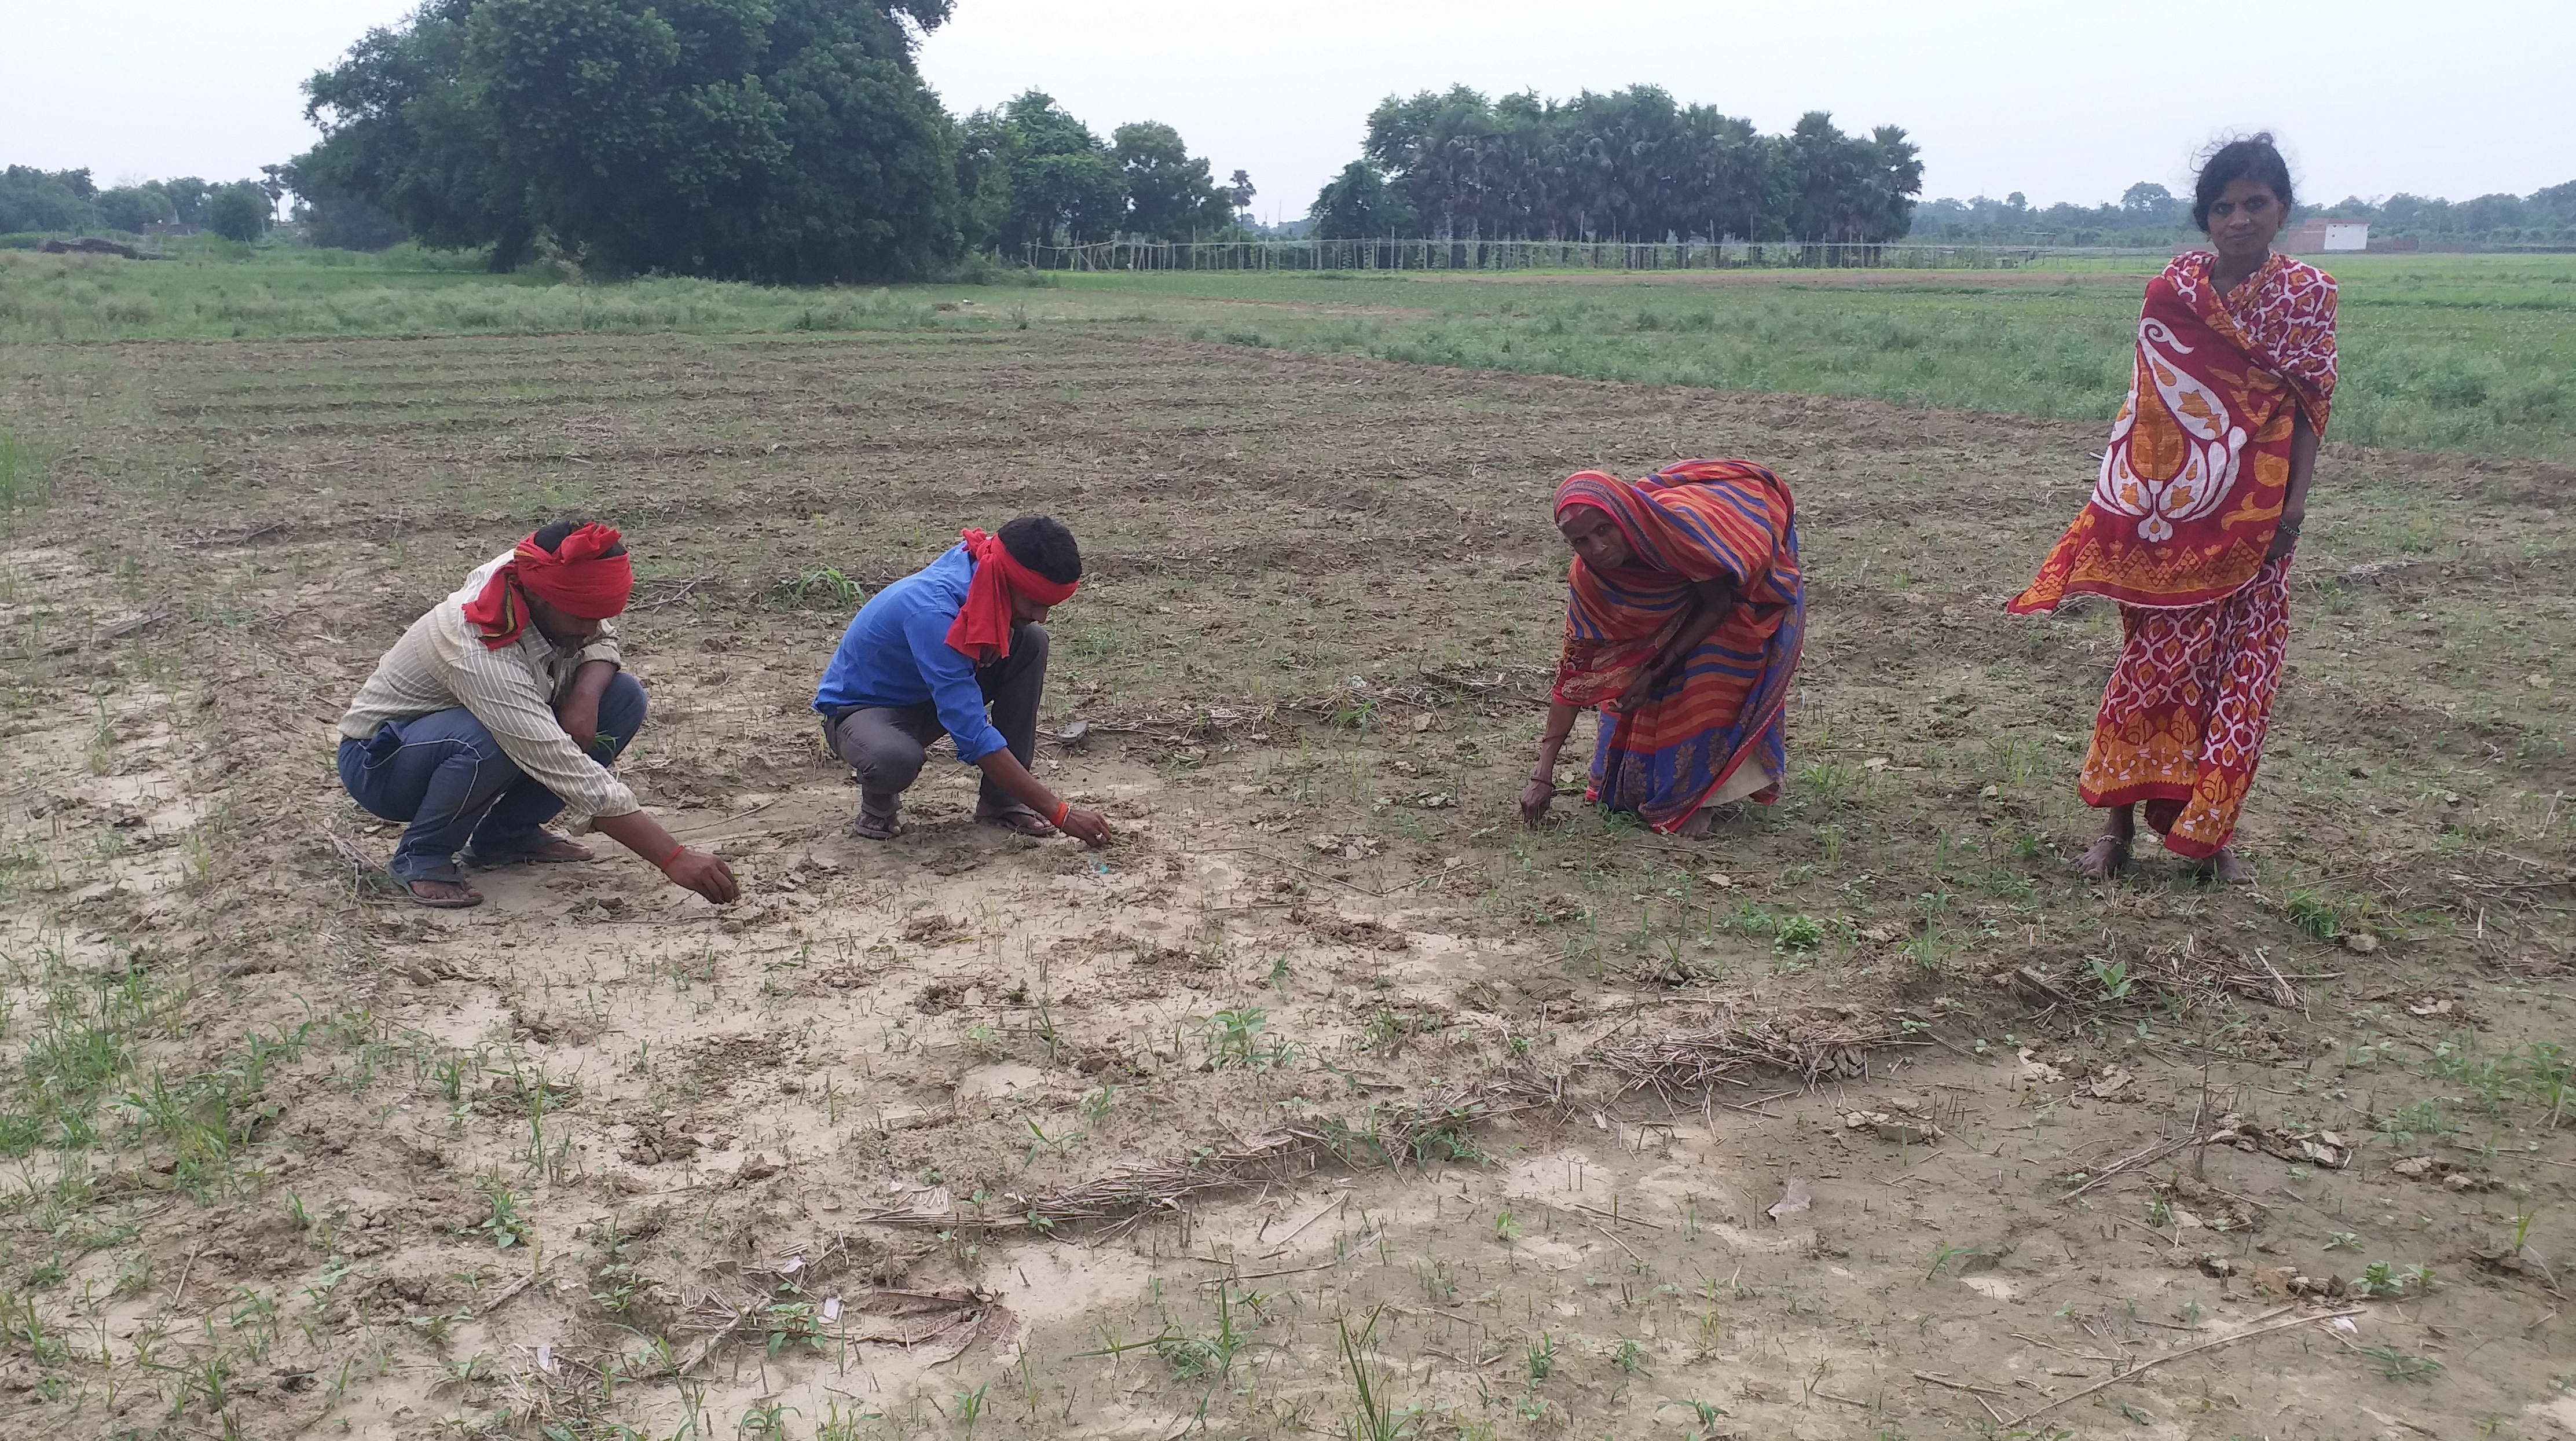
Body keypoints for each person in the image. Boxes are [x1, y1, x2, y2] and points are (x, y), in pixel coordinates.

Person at [2008, 134, 2337, 883]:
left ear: (2281, 208)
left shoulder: (2308, 298)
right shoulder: (2173, 296)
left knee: (2235, 680)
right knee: (2149, 672)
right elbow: (2149, 415)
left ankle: (2210, 840)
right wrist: (2130, 517)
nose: (2238, 219)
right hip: (2167, 526)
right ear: (2205, 219)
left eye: (2254, 203)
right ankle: (2116, 834)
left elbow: (2311, 406)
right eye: (2222, 207)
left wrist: (2292, 513)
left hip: (2257, 529)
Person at [336, 520, 739, 908]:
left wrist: (584, 694)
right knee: (482, 738)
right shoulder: (477, 643)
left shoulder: (544, 575)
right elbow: (559, 762)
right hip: (382, 763)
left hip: (464, 735)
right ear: (542, 599)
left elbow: (602, 636)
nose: (589, 628)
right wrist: (672, 857)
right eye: (580, 617)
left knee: (622, 696)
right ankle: (422, 855)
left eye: (597, 614)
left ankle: (507, 835)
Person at [1519, 459, 1805, 838]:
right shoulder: (1590, 583)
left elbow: (1718, 604)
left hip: (1734, 596)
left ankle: (1703, 796)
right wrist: (1542, 776)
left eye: (1604, 529)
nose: (1598, 547)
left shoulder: (1678, 535)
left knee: (1710, 671)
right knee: (1628, 693)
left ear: (1624, 517)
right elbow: (1573, 674)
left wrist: (1657, 670)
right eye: (1581, 541)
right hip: (1677, 616)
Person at [812, 516, 1111, 847]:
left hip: (927, 696)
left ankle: (1001, 800)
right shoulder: (932, 612)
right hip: (863, 712)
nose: (1042, 615)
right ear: (1005, 580)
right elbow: (971, 733)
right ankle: (878, 802)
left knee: (1030, 640)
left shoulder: (985, 567)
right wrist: (1061, 813)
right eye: (1036, 603)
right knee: (894, 759)